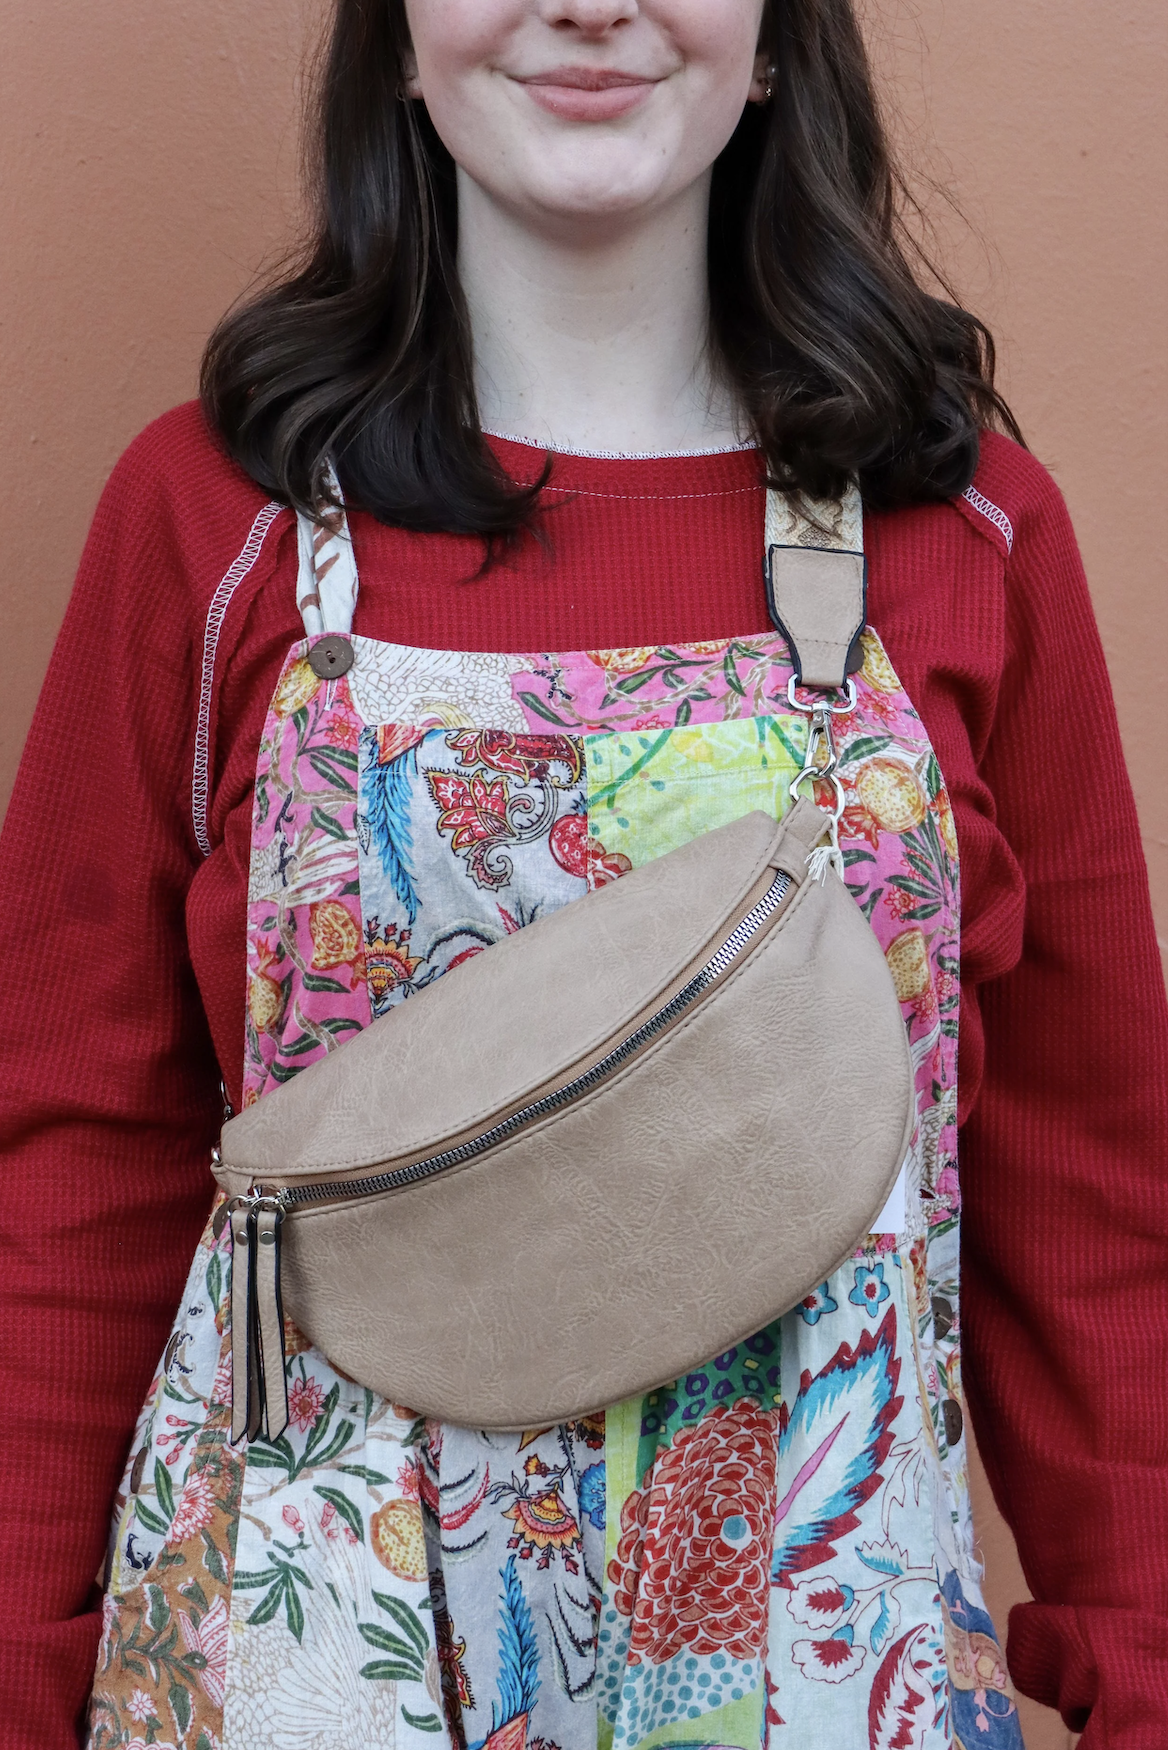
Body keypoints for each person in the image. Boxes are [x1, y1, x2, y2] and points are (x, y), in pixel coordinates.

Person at [1, 1, 1165, 1746]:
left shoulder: (971, 531)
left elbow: (1094, 1192)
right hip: (312, 1654)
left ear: (774, 37)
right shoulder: (213, 528)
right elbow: (70, 1157)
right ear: (398, 38)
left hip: (820, 1665)